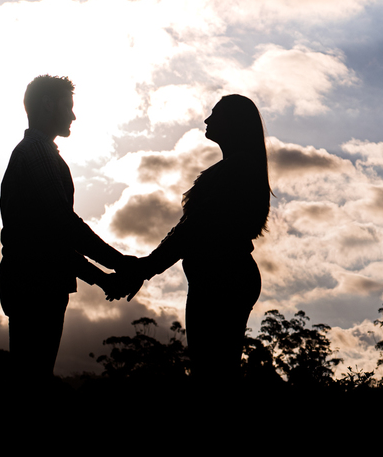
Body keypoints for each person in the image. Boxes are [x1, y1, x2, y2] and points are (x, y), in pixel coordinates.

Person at [114, 94, 270, 383]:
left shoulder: (238, 169)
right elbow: (187, 227)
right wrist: (146, 267)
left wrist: (145, 268)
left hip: (221, 281)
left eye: (215, 114)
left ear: (234, 122)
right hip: (217, 279)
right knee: (213, 371)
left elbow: (193, 229)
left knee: (212, 375)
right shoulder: (232, 168)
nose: (207, 120)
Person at [0, 75, 138, 382]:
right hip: (35, 286)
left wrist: (103, 278)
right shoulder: (38, 153)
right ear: (49, 105)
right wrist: (121, 265)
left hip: (34, 283)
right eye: (68, 106)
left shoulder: (39, 153)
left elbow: (54, 241)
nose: (73, 115)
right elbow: (64, 226)